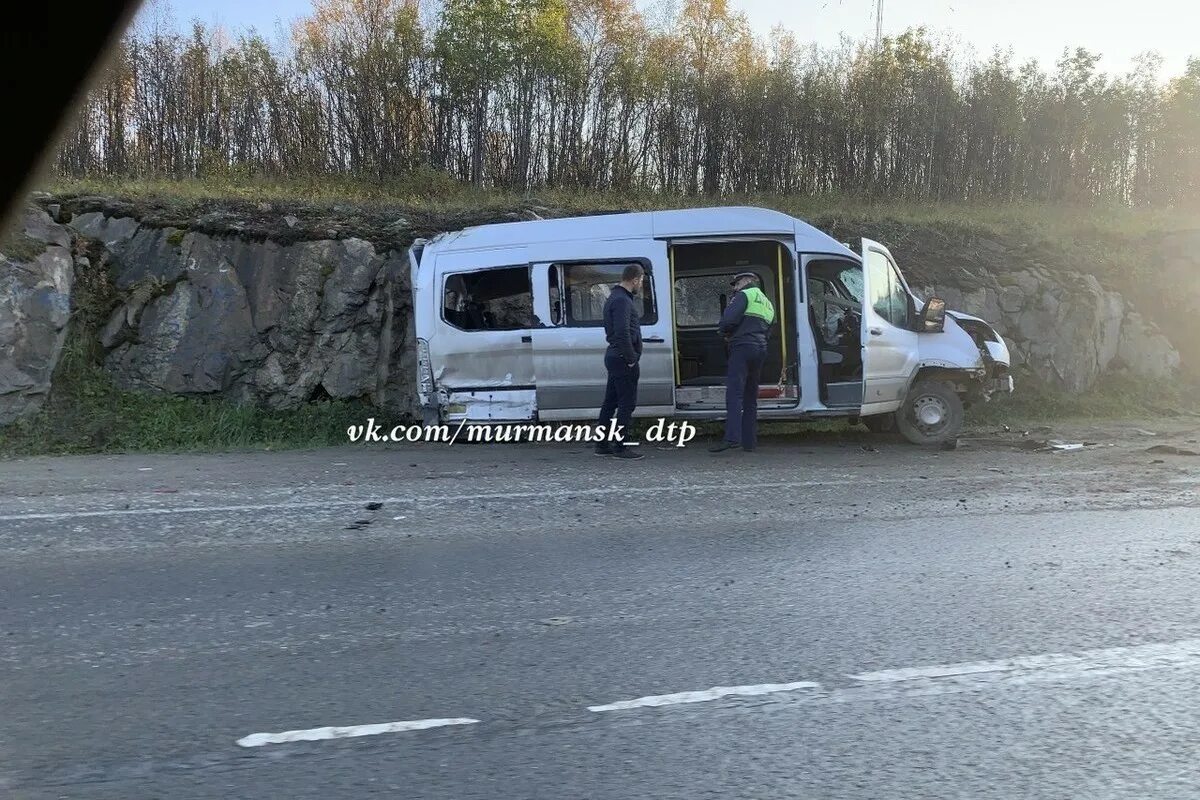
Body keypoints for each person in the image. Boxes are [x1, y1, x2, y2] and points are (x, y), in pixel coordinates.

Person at [710, 271, 775, 453]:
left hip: (742, 347)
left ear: (745, 281)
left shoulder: (744, 295)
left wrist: (724, 333)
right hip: (760, 349)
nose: (735, 288)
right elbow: (771, 327)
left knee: (734, 393)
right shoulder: (767, 302)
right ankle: (749, 442)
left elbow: (728, 320)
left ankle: (732, 438)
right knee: (750, 397)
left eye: (736, 284)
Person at [595, 264, 646, 460]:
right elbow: (623, 332)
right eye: (641, 281)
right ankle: (621, 446)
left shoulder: (614, 298)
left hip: (615, 356)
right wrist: (631, 359)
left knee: (610, 403)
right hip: (623, 358)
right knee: (626, 404)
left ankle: (602, 444)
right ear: (635, 279)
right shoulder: (623, 301)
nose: (640, 285)